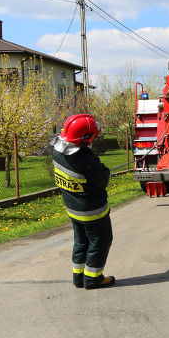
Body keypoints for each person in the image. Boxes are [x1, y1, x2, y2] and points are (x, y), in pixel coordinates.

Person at [51, 114, 115, 290]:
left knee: (81, 242)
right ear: (85, 139)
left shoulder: (57, 152)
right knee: (100, 241)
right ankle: (93, 279)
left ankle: (79, 278)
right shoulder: (86, 161)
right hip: (92, 211)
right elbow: (102, 179)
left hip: (72, 207)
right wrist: (103, 170)